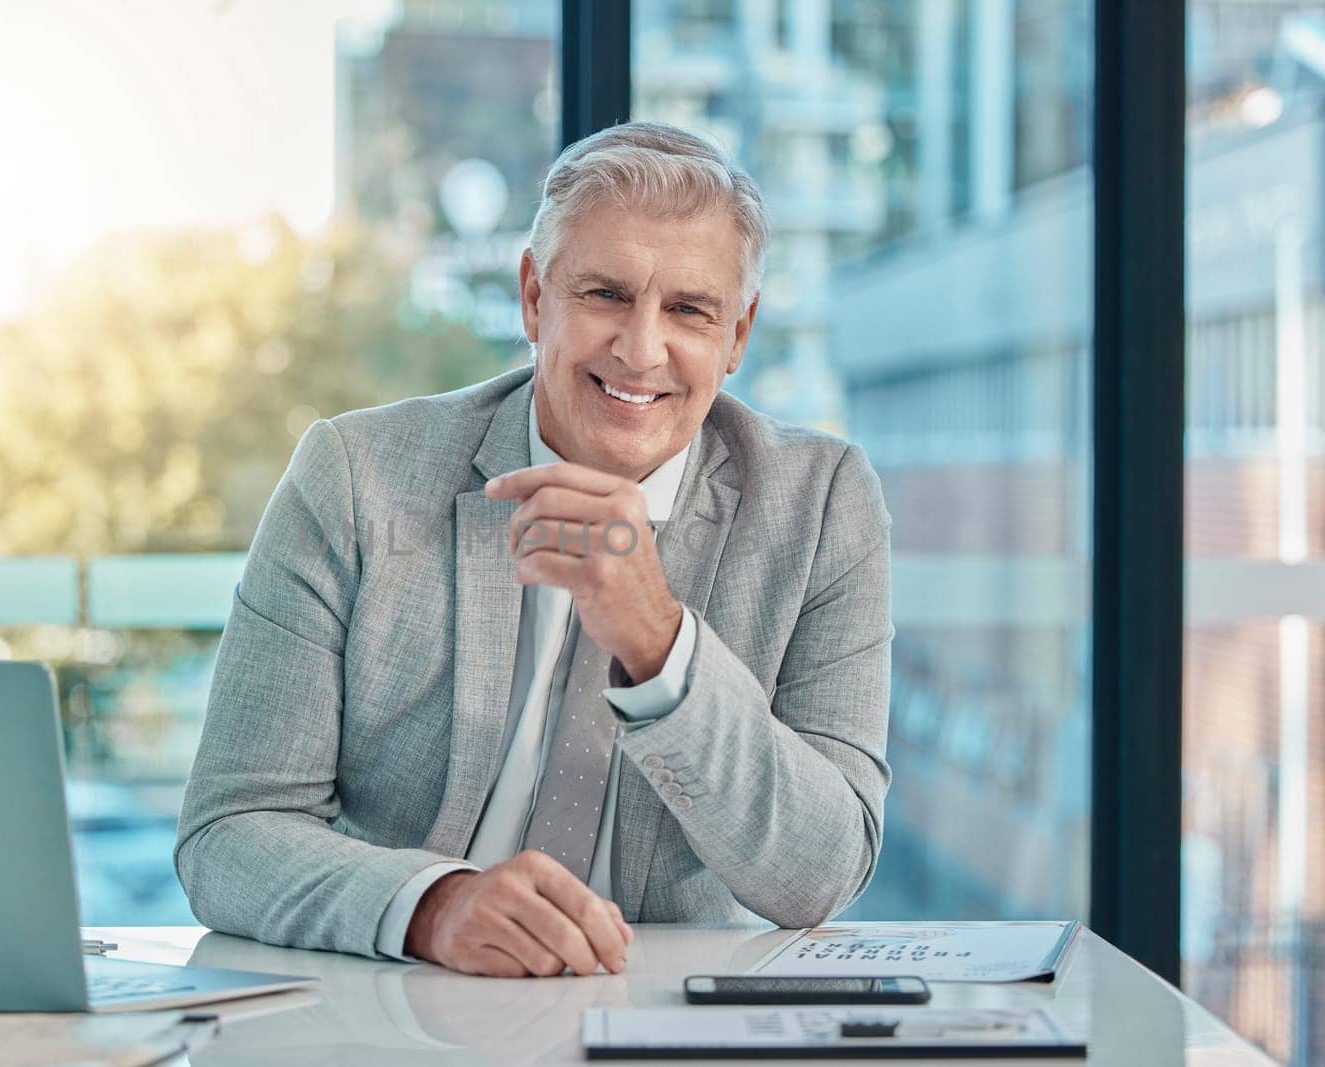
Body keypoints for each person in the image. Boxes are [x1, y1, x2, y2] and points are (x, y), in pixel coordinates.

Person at [176, 121, 893, 979]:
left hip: (664, 1018)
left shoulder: (822, 504)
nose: (641, 348)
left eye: (690, 311)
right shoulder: (356, 477)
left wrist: (660, 642)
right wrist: (432, 906)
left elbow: (824, 870)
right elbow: (229, 831)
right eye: (604, 294)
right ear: (532, 296)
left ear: (737, 338)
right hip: (403, 1008)